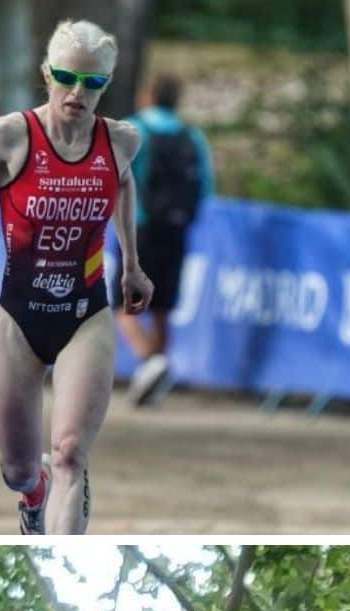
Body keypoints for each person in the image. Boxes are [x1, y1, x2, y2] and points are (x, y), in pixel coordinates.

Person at [0, 21, 150, 534]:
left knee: (69, 453)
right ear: (46, 74)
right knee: (18, 469)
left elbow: (124, 185)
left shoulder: (122, 141)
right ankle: (33, 493)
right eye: (66, 78)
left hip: (85, 314)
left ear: (106, 85)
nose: (77, 93)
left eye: (93, 83)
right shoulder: (8, 135)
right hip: (18, 316)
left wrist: (131, 263)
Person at [118, 74, 214, 406]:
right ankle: (153, 384)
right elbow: (205, 187)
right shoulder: (193, 136)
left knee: (122, 305)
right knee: (162, 307)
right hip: (176, 230)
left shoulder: (134, 129)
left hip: (138, 228)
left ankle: (149, 361)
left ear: (148, 95)